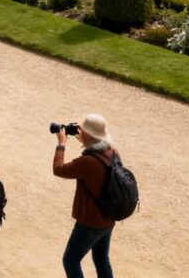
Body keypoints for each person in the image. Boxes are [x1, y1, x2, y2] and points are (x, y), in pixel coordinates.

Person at [53, 115, 120, 278]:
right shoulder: (113, 152)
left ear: (89, 136)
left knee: (70, 261)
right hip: (109, 216)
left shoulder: (88, 162)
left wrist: (61, 144)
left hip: (90, 222)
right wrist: (87, 140)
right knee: (102, 260)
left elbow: (59, 169)